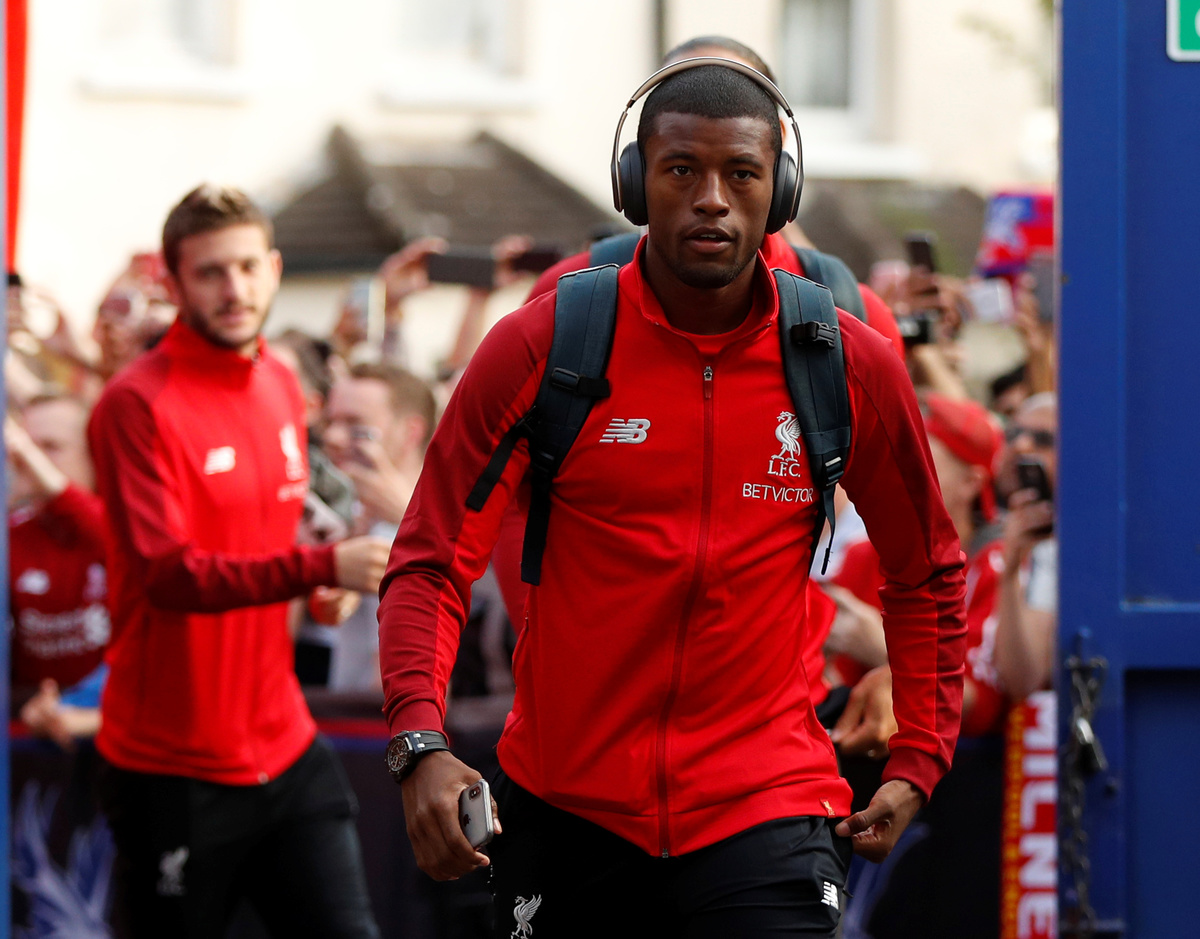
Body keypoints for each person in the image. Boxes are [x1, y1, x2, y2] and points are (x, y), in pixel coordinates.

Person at [378, 62, 967, 938]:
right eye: (681, 169)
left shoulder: (846, 361)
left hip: (768, 810)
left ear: (780, 189)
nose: (712, 199)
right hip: (565, 807)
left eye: (742, 173)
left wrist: (921, 756)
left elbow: (927, 572)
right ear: (634, 182)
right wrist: (418, 742)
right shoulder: (542, 343)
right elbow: (431, 561)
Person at [87, 184, 389, 938]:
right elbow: (168, 573)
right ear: (173, 281)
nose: (235, 289)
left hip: (285, 742)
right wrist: (320, 569)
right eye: (211, 272)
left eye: (249, 267)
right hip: (171, 767)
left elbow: (274, 538)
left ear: (275, 268)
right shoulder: (134, 403)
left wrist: (321, 588)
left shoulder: (281, 381)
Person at [310, 361, 436, 690]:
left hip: (415, 716)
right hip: (344, 711)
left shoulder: (455, 517)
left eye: (355, 424)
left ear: (411, 432)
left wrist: (408, 518)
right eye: (331, 421)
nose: (333, 437)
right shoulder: (338, 514)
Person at [8, 394, 109, 746]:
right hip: (39, 737)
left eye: (50, 447)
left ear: (92, 455)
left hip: (122, 730)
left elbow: (115, 545)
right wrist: (30, 707)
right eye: (25, 448)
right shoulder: (11, 535)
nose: (28, 462)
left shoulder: (118, 525)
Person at [993, 392, 1058, 698]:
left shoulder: (1092, 542)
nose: (1021, 446)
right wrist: (1011, 568)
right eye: (1014, 434)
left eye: (1043, 439)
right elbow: (1020, 679)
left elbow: (1026, 678)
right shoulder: (983, 534)